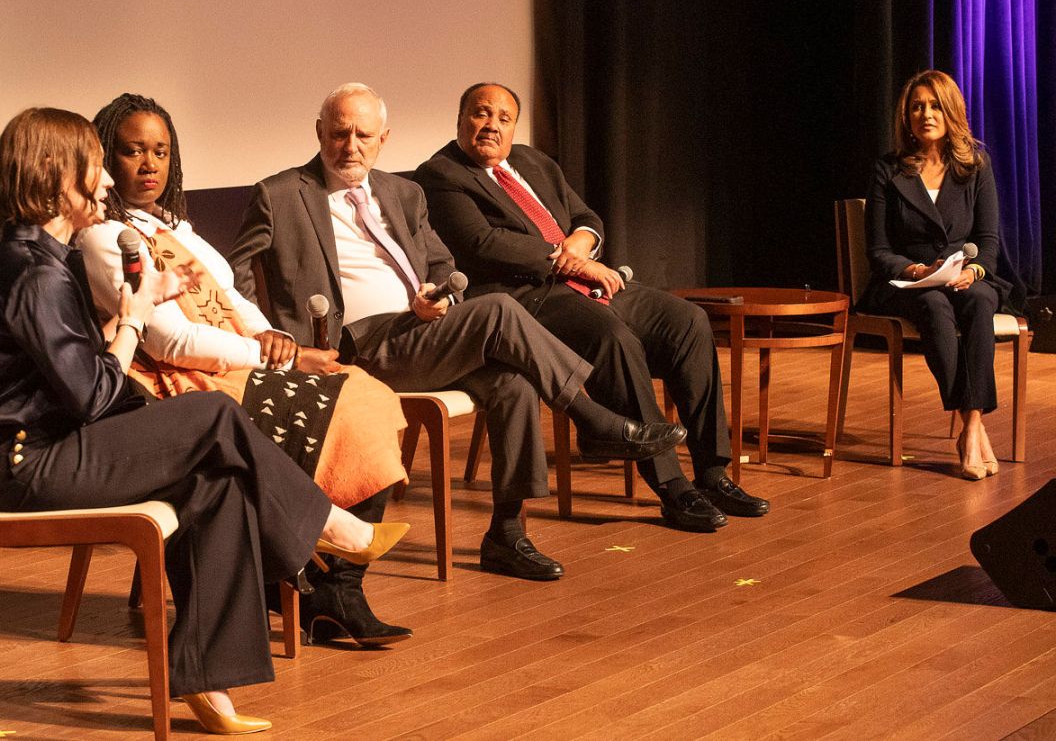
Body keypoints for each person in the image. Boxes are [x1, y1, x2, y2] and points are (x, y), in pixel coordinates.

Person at [0, 107, 407, 735]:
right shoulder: (31, 272)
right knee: (214, 413)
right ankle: (329, 529)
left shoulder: (41, 258)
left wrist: (130, 315)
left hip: (47, 445)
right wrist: (133, 316)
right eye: (94, 168)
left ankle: (207, 681)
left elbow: (80, 376)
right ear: (57, 178)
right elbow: (94, 396)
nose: (108, 182)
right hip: (23, 464)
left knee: (215, 483)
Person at [229, 83, 685, 581]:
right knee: (497, 312)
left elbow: (442, 261)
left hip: (420, 332)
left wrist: (439, 293)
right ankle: (592, 418)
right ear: (320, 132)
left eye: (363, 135)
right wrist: (271, 334)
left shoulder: (403, 192)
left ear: (384, 138)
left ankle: (506, 535)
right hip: (351, 347)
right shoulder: (279, 193)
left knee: (513, 384)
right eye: (339, 134)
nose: (351, 146)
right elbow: (235, 276)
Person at [77, 92, 412, 648]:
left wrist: (270, 336)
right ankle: (312, 582)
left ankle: (335, 589)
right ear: (107, 158)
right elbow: (172, 340)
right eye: (133, 151)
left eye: (160, 151)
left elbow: (233, 296)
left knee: (366, 394)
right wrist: (273, 356)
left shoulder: (173, 225)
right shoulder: (106, 237)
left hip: (234, 360)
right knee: (349, 403)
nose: (150, 164)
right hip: (178, 381)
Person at [414, 83, 770, 532]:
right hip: (525, 296)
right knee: (613, 339)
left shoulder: (533, 161)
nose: (492, 126)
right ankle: (673, 487)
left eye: (504, 119)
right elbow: (482, 244)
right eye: (481, 114)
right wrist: (569, 262)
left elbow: (587, 219)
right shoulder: (442, 174)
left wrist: (582, 244)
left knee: (689, 321)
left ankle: (713, 472)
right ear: (461, 117)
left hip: (585, 281)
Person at [861, 69, 1010, 480]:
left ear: (951, 112)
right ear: (906, 117)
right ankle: (971, 424)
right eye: (917, 106)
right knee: (933, 304)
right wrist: (916, 269)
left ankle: (972, 426)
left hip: (963, 273)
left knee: (981, 300)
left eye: (934, 106)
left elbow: (988, 240)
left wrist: (975, 270)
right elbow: (878, 251)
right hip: (906, 281)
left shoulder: (976, 166)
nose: (925, 114)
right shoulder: (888, 171)